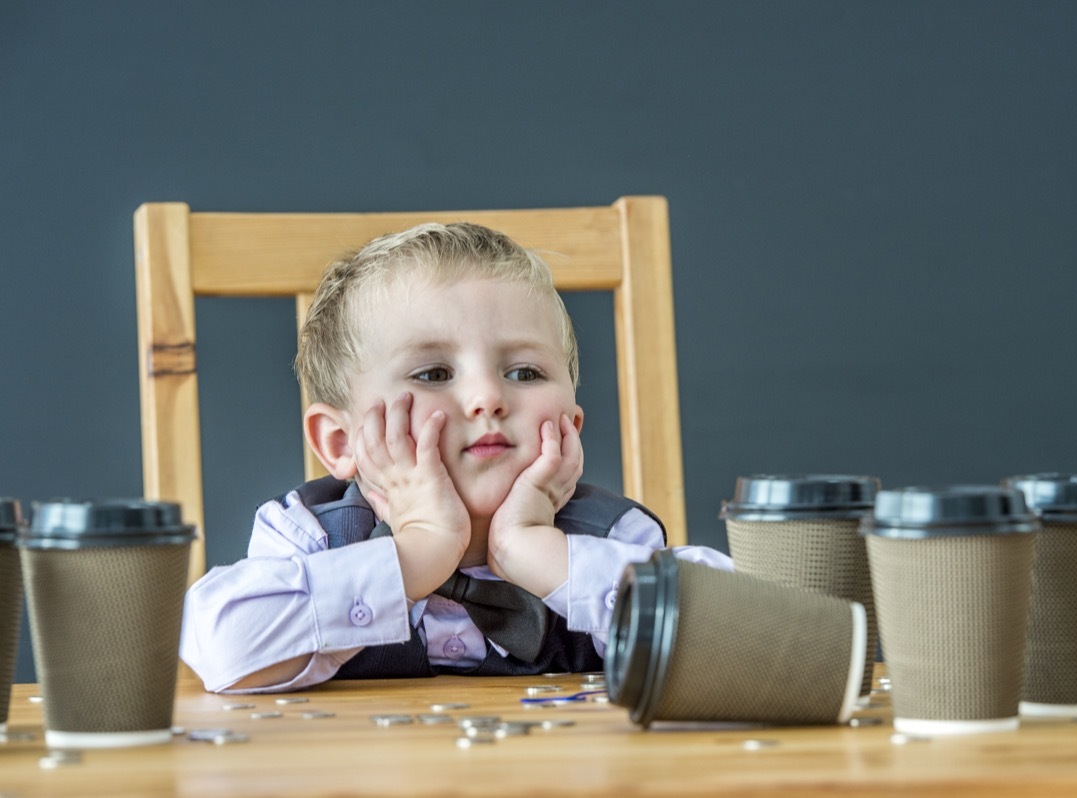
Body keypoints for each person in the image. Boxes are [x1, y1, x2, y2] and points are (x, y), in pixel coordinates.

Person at [180, 221, 731, 693]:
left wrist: (542, 554)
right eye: (434, 374)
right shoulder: (309, 537)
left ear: (571, 426)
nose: (488, 397)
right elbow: (223, 646)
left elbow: (749, 638)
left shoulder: (608, 540)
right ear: (341, 443)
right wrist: (417, 552)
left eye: (524, 373)